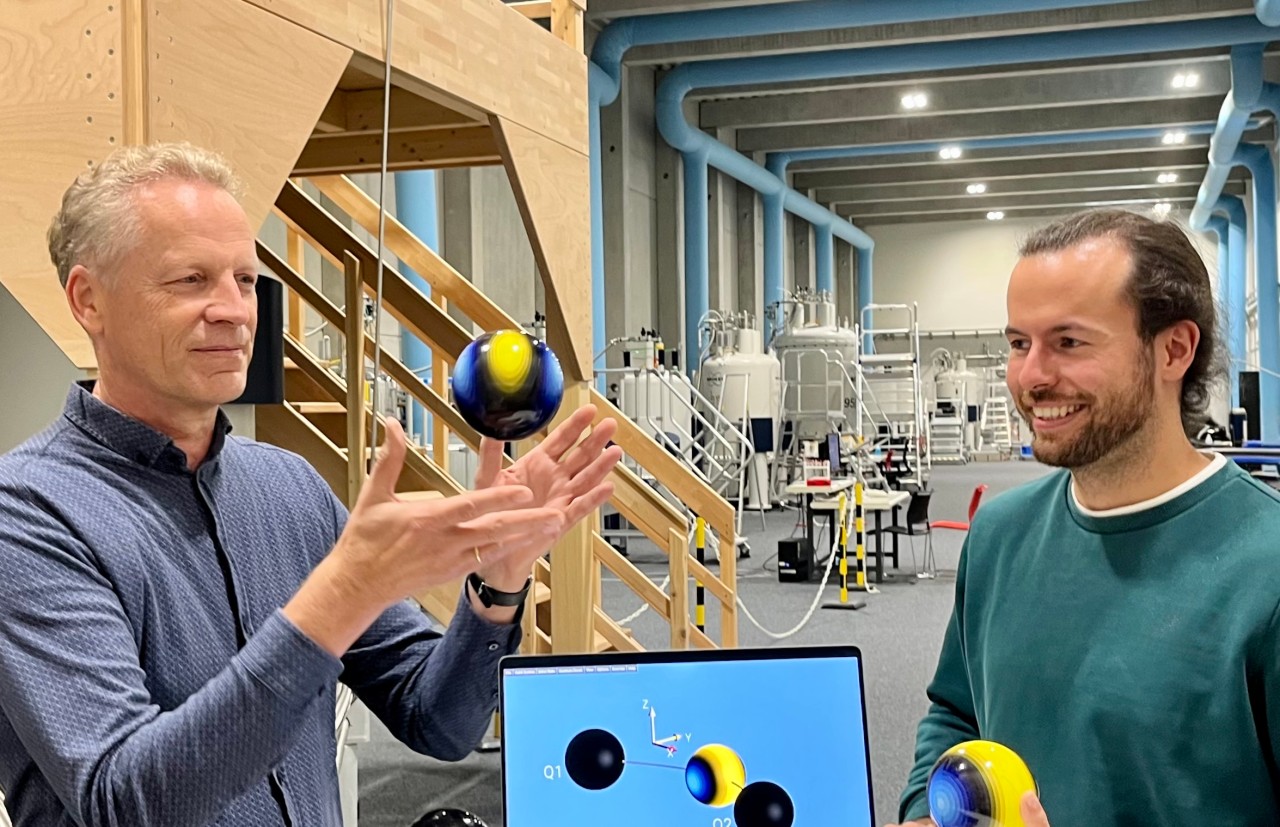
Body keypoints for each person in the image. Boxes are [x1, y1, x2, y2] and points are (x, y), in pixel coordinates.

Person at [0, 142, 621, 826]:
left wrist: (499, 585)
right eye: (191, 280)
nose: (234, 310)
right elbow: (129, 802)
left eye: (244, 278)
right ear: (89, 299)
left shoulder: (286, 487)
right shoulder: (29, 515)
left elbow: (440, 722)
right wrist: (342, 594)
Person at [888, 209, 1280, 827]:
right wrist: (926, 811)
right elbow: (956, 713)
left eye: (1069, 342)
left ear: (1174, 350)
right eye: (1020, 343)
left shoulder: (1266, 568)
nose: (1032, 376)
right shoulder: (998, 536)